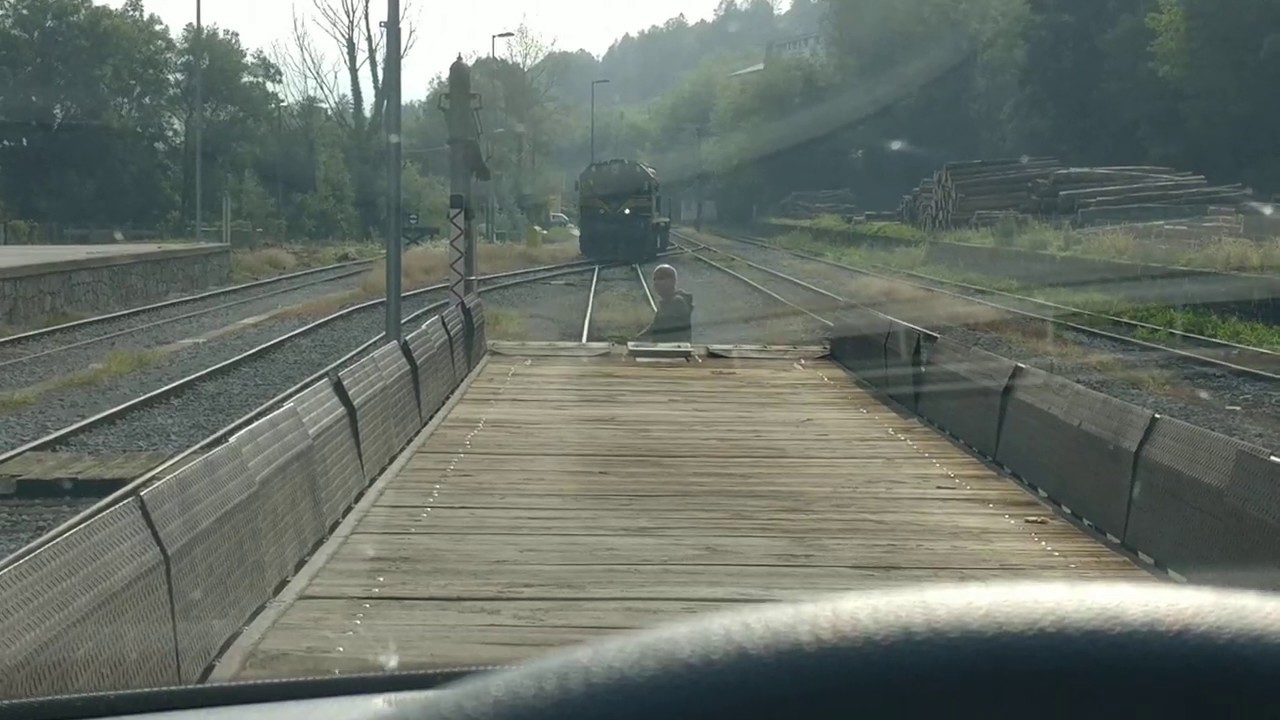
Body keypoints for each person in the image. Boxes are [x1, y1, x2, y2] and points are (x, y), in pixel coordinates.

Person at [636, 264, 694, 343]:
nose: (656, 283)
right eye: (655, 279)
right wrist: (638, 337)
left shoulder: (677, 302)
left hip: (674, 350)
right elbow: (655, 325)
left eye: (661, 279)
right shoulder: (666, 301)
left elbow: (662, 329)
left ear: (672, 281)